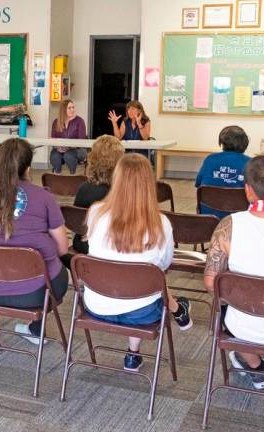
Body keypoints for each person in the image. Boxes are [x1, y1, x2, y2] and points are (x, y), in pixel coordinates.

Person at [84, 154, 192, 372]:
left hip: (96, 305)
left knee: (134, 279)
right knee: (146, 284)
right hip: (142, 313)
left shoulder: (96, 212)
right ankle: (133, 353)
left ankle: (176, 310)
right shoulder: (161, 223)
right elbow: (163, 265)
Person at [0, 138, 69, 344]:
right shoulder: (43, 198)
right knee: (55, 267)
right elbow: (63, 248)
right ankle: (35, 328)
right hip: (35, 293)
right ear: (28, 168)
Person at [204, 155, 264, 390]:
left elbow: (212, 285)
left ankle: (254, 365)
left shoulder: (228, 226)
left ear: (248, 191)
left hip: (245, 326)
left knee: (221, 309)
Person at [71, 135, 125, 254]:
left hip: (83, 244)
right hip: (113, 247)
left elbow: (76, 225)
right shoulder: (122, 192)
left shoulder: (83, 189)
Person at [195, 126, 251, 218]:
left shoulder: (210, 159)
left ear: (222, 143)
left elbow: (198, 184)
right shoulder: (251, 163)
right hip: (239, 218)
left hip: (209, 217)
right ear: (245, 143)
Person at [49, 100, 87, 174]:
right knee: (54, 155)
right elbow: (53, 139)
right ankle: (57, 175)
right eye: (69, 108)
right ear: (63, 110)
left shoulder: (79, 121)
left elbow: (81, 140)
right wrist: (58, 147)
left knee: (68, 155)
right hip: (60, 149)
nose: (72, 110)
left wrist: (68, 147)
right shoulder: (56, 122)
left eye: (73, 107)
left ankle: (72, 175)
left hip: (78, 150)